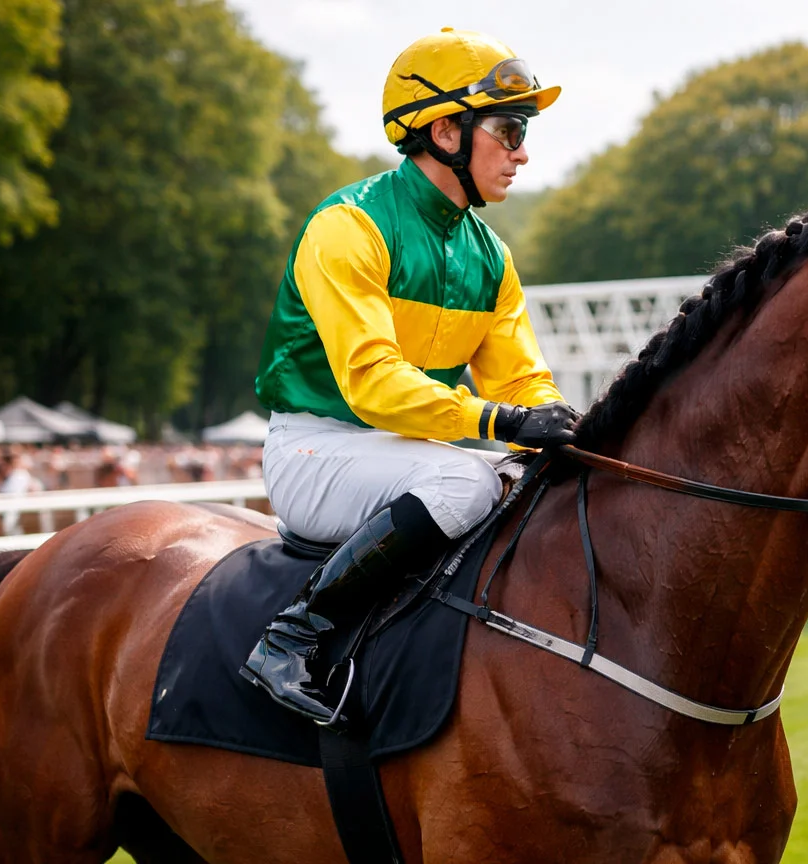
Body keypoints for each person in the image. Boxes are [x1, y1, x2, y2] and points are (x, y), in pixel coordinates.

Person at [244, 29, 578, 723]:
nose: (522, 153)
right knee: (467, 479)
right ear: (446, 129)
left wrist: (556, 420)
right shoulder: (349, 226)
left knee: (528, 480)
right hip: (317, 448)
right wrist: (497, 422)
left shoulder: (492, 258)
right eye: (509, 130)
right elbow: (373, 381)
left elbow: (519, 380)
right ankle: (291, 636)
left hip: (404, 452)